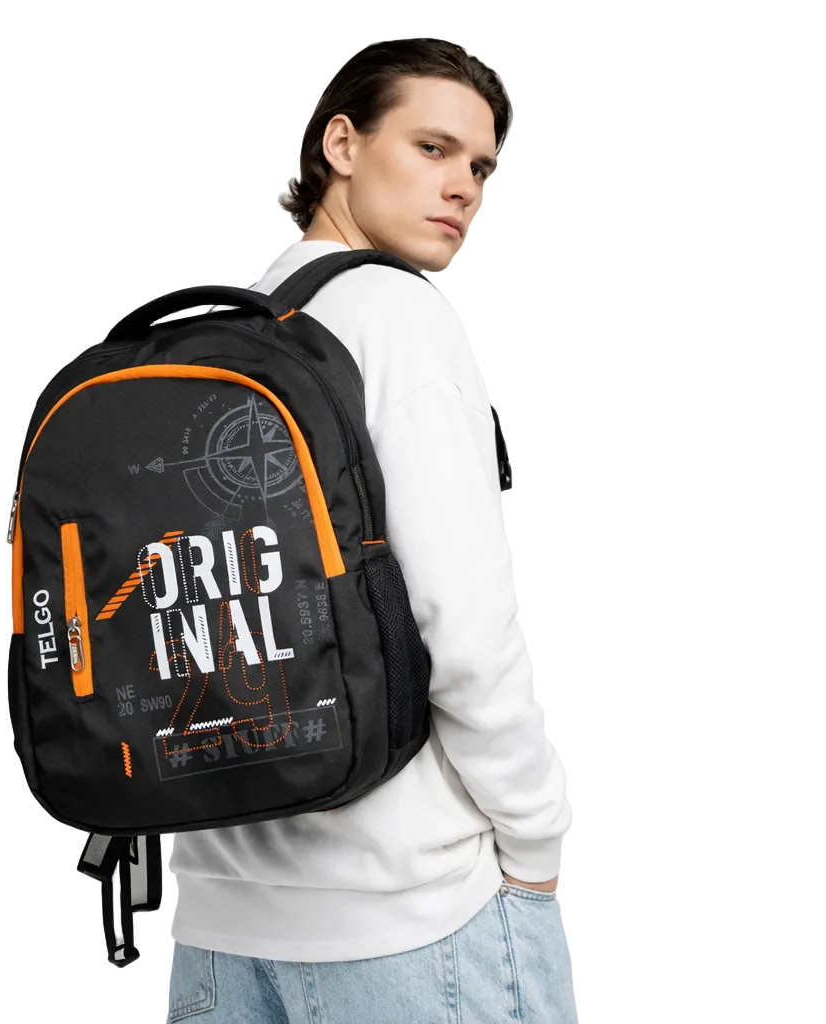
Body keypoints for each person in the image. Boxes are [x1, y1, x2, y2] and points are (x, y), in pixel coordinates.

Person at [165, 37, 578, 1023]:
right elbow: (462, 624)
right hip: (408, 915)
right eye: (432, 147)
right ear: (341, 144)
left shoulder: (214, 335)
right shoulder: (398, 314)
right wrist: (535, 835)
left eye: (481, 167)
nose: (463, 186)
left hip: (216, 918)